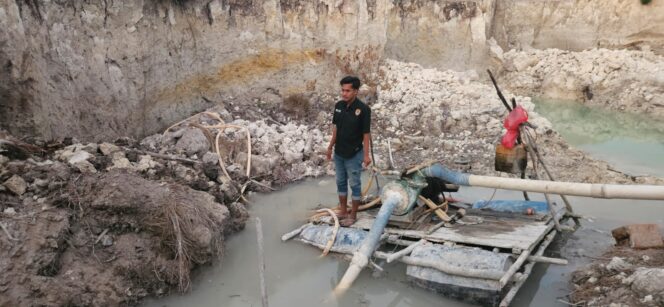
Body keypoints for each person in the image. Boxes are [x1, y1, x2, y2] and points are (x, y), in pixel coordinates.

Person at [326, 76, 372, 227]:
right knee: (340, 182)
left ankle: (353, 214)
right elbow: (336, 129)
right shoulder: (339, 106)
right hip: (339, 153)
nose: (344, 93)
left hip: (354, 153)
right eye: (342, 90)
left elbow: (366, 134)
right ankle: (343, 211)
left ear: (356, 91)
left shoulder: (364, 110)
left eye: (348, 91)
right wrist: (330, 147)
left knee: (354, 183)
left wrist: (366, 155)